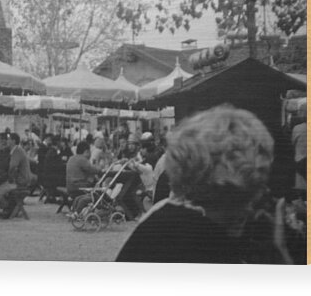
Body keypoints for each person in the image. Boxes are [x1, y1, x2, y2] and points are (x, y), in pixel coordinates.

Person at [116, 106, 286, 264]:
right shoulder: (203, 241)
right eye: (250, 191)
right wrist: (281, 254)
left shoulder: (164, 219)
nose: (251, 206)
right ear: (221, 187)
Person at [0, 133, 33, 217]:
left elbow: (12, 166)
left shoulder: (17, 151)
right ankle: (9, 208)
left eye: (9, 139)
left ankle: (8, 208)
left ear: (13, 141)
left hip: (20, 181)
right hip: (19, 179)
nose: (7, 141)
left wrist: (8, 176)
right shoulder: (16, 150)